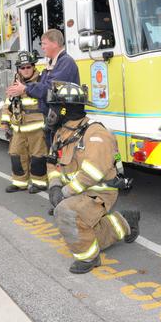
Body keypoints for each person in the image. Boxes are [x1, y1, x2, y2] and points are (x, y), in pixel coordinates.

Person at [45, 81, 140, 274]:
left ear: (65, 110)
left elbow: (92, 174)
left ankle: (89, 258)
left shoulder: (96, 133)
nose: (51, 112)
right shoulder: (61, 134)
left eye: (55, 107)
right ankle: (125, 222)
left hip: (99, 192)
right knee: (82, 231)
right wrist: (54, 186)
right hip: (76, 191)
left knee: (66, 213)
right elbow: (52, 163)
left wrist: (63, 194)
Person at [6, 29, 79, 148]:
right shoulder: (52, 64)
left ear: (54, 44)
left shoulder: (66, 63)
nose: (42, 47)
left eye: (44, 43)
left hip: (65, 121)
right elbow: (43, 86)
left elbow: (50, 89)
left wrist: (25, 88)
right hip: (55, 122)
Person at [1, 51, 48, 194]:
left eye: (28, 67)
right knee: (16, 155)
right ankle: (19, 182)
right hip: (19, 129)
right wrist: (5, 123)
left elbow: (46, 100)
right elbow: (7, 105)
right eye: (22, 68)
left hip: (37, 130)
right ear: (18, 69)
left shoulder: (41, 82)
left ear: (33, 67)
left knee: (38, 157)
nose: (25, 70)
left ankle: (39, 183)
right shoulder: (15, 84)